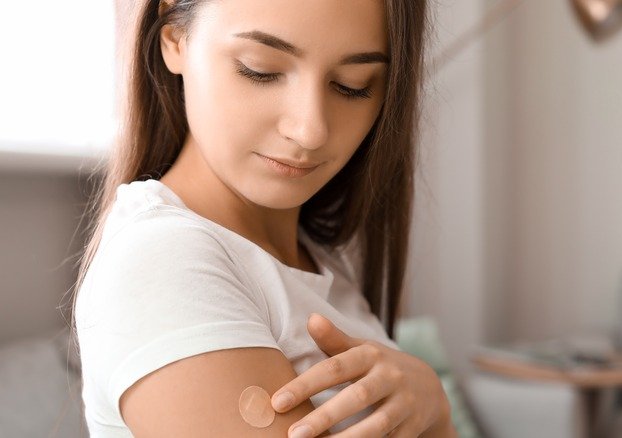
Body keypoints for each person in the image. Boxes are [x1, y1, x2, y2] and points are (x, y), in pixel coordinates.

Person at [71, 0, 457, 436]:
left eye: (352, 85)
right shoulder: (163, 262)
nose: (310, 130)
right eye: (261, 69)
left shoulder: (318, 265)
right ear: (175, 38)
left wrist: (436, 409)